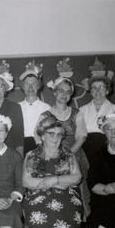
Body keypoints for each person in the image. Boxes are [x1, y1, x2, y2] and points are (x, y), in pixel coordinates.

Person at [23, 115, 83, 228]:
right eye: (51, 134)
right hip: (38, 194)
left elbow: (77, 177)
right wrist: (45, 184)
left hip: (66, 193)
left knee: (71, 212)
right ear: (42, 135)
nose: (55, 138)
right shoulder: (31, 155)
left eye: (59, 134)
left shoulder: (68, 154)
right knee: (35, 213)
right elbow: (26, 182)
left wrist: (54, 180)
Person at [34, 77, 90, 219]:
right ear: (54, 92)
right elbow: (37, 136)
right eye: (60, 91)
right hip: (51, 157)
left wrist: (68, 155)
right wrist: (53, 155)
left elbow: (82, 136)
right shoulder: (45, 115)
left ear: (71, 94)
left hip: (74, 155)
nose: (64, 95)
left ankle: (78, 221)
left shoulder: (77, 113)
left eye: (67, 91)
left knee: (79, 191)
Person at [79, 76, 115, 165]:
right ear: (91, 91)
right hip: (86, 149)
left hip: (108, 147)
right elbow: (80, 134)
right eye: (94, 88)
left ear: (107, 91)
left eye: (101, 87)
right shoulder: (82, 110)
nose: (97, 90)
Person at [18, 61, 50, 155]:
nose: (30, 87)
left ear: (39, 85)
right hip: (21, 147)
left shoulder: (46, 108)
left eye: (34, 84)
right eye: (27, 84)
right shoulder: (17, 107)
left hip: (41, 146)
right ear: (23, 86)